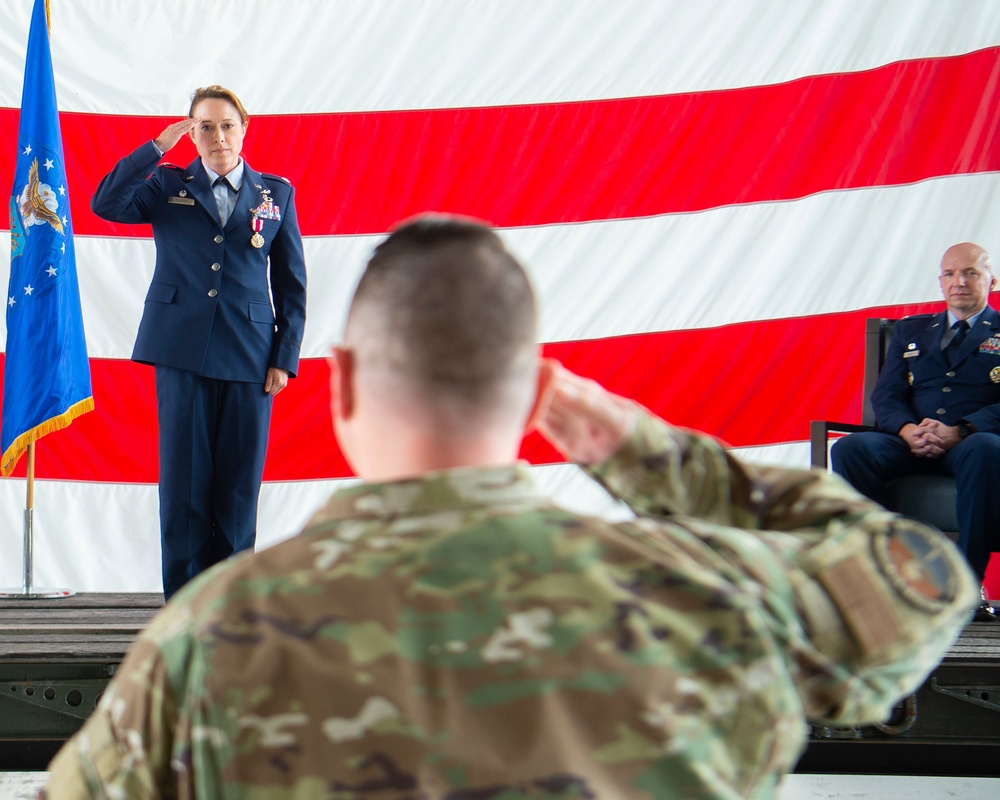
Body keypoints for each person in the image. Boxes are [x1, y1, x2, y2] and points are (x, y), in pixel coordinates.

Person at [43, 215, 975, 799]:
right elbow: (923, 577)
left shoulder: (208, 642)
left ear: (346, 385)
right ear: (532, 394)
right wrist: (641, 449)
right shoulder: (707, 600)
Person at [91, 85, 307, 600]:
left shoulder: (275, 194)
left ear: (244, 128)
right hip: (181, 352)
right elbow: (105, 202)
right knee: (186, 490)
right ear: (191, 133)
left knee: (236, 491)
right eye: (204, 126)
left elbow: (292, 283)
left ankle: (230, 616)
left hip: (252, 357)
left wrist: (285, 356)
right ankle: (183, 615)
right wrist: (155, 148)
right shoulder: (165, 185)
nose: (217, 136)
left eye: (226, 124)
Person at [831, 242, 1000, 621]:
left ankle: (966, 586)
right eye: (951, 274)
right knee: (850, 450)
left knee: (987, 448)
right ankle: (879, 582)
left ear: (991, 280)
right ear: (940, 282)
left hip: (971, 443)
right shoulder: (912, 330)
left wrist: (962, 429)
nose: (960, 282)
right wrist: (907, 430)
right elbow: (887, 395)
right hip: (911, 441)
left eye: (971, 272)